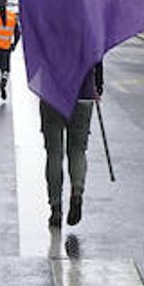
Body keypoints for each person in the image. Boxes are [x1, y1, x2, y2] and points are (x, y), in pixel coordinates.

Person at [41, 63, 102, 228]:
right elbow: (96, 56)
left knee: (54, 153)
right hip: (83, 93)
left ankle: (56, 208)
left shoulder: (50, 42)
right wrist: (98, 85)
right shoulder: (87, 42)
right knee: (78, 151)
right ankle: (77, 193)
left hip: (52, 94)